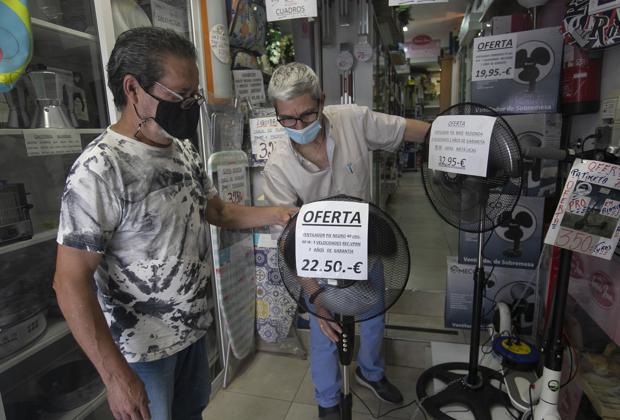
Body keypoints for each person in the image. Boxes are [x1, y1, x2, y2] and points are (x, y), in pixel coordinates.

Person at [53, 27, 295, 420]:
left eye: (194, 95)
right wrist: (115, 377)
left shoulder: (182, 150)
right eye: (180, 96)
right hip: (140, 353)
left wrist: (281, 213)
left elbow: (217, 212)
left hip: (192, 334)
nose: (189, 106)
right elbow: (69, 281)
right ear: (133, 90)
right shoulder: (99, 170)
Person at [263, 62, 430, 420]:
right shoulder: (278, 166)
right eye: (287, 120)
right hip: (315, 257)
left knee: (372, 317)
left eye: (307, 115)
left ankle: (372, 373)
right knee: (325, 329)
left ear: (321, 100)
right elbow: (285, 243)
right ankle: (327, 399)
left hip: (365, 246)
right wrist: (316, 298)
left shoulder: (352, 120)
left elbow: (408, 130)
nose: (299, 127)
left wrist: (461, 137)